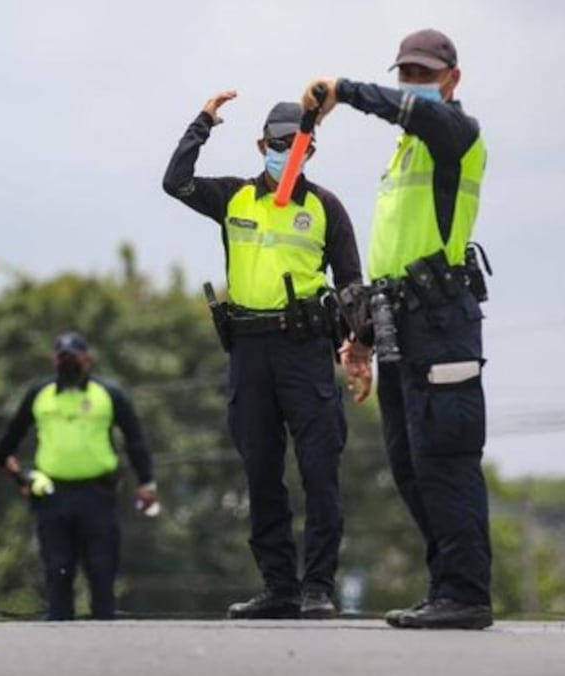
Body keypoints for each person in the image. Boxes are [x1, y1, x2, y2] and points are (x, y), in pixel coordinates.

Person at [302, 28, 493, 630]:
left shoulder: (456, 134)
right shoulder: (406, 154)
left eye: (424, 73)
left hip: (443, 325)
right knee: (410, 465)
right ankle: (447, 588)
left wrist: (344, 91)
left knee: (445, 458)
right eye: (406, 72)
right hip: (402, 327)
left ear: (451, 79)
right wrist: (358, 337)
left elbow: (403, 108)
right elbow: (389, 263)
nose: (413, 83)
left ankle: (466, 592)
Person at [162, 94, 362, 619]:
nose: (285, 154)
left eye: (295, 146)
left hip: (305, 353)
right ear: (261, 145)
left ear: (310, 149)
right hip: (249, 353)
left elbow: (351, 284)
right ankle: (279, 588)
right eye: (277, 145)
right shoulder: (234, 198)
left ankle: (318, 587)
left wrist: (356, 345)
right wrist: (202, 122)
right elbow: (175, 182)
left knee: (320, 471)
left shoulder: (325, 207)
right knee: (261, 472)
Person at [0, 331, 156, 621]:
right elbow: (6, 446)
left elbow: (135, 439)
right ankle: (60, 651)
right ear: (53, 360)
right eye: (62, 357)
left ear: (87, 359)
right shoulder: (39, 395)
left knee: (101, 571)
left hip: (98, 495)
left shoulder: (108, 393)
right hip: (53, 496)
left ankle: (104, 652)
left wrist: (146, 483)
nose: (68, 362)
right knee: (58, 571)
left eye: (74, 357)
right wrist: (21, 480)